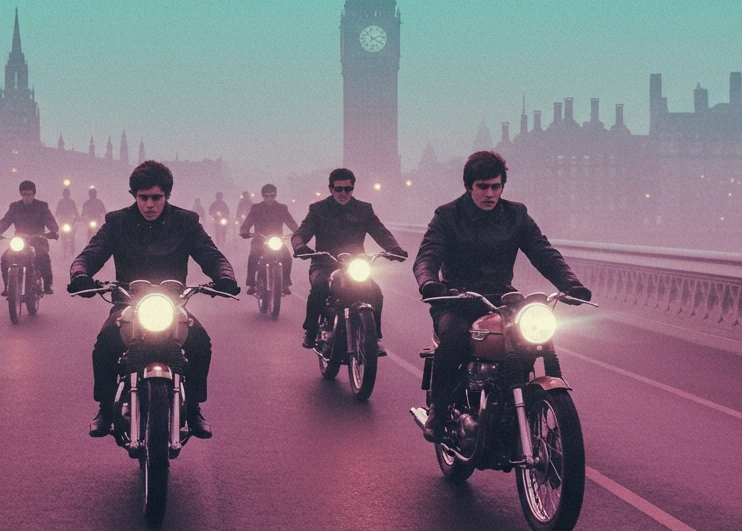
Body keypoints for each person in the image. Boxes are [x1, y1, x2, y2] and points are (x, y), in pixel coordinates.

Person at [413, 151, 591, 443]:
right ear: (469, 186)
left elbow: (543, 252)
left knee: (534, 337)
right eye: (483, 186)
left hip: (503, 300)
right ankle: (440, 410)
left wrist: (570, 283)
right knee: (455, 339)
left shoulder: (516, 214)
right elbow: (427, 255)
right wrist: (429, 282)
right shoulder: (447, 215)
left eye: (496, 186)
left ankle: (524, 404)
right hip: (456, 300)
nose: (490, 193)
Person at [69, 160, 240, 439]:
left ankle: (194, 406)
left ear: (167, 196)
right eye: (143, 197)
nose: (149, 204)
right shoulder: (116, 221)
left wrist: (226, 276)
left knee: (201, 344)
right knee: (105, 344)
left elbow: (210, 254)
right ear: (134, 196)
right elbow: (91, 253)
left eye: (156, 197)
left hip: (173, 304)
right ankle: (104, 407)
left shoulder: (187, 221)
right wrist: (80, 274)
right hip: (128, 303)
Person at [291, 168, 407, 354]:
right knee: (320, 287)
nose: (343, 193)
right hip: (324, 263)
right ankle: (311, 330)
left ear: (353, 188)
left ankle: (375, 338)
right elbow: (301, 233)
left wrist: (394, 248)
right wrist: (300, 247)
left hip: (356, 264)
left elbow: (380, 231)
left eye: (348, 189)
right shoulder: (317, 209)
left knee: (375, 292)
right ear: (331, 189)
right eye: (339, 189)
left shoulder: (364, 209)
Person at [0, 180, 60, 295]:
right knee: (6, 258)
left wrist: (54, 231)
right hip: (19, 240)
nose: (27, 197)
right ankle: (7, 286)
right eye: (24, 194)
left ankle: (47, 284)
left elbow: (50, 220)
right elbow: (5, 221)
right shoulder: (15, 207)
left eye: (29, 194)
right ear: (21, 194)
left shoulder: (42, 206)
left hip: (38, 239)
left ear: (34, 194)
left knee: (42, 256)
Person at [239, 183, 298, 294]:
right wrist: (244, 231)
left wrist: (298, 231)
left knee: (287, 258)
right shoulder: (256, 208)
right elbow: (247, 222)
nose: (269, 198)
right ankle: (251, 284)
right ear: (263, 196)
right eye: (267, 196)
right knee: (253, 256)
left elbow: (291, 222)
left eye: (272, 195)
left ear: (275, 195)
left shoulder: (282, 208)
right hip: (259, 240)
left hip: (277, 240)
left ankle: (285, 283)